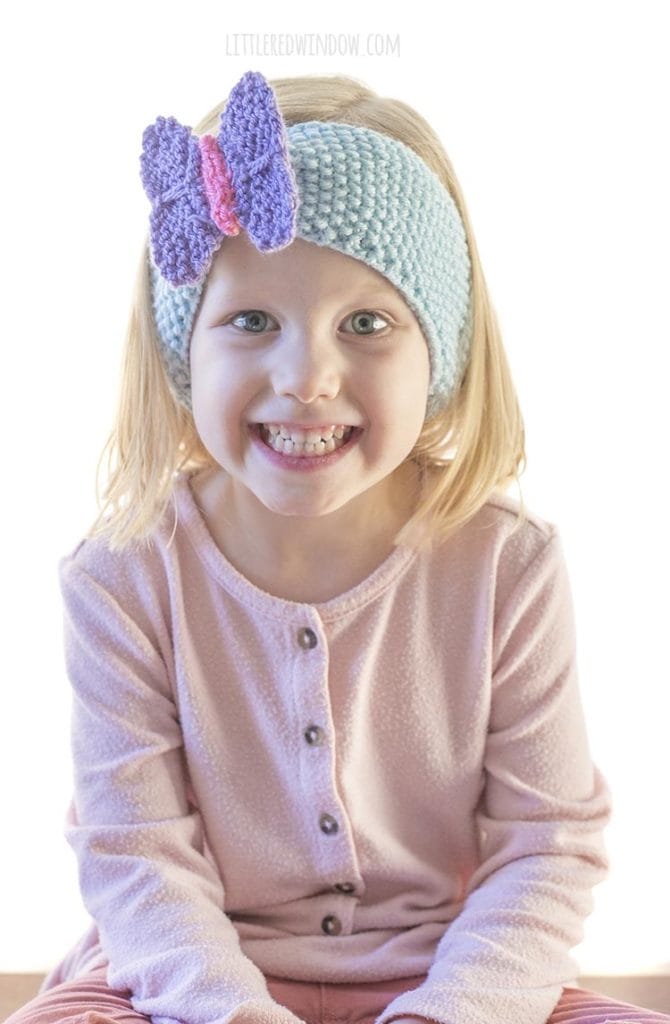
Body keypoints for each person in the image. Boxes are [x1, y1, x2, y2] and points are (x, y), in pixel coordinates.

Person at [8, 70, 667, 1024]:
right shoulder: (122, 574)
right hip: (187, 986)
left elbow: (547, 848)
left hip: (454, 980)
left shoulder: (504, 565)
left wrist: (452, 1013)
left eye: (366, 323)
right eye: (250, 321)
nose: (306, 376)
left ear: (439, 350)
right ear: (181, 350)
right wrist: (233, 1013)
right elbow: (138, 858)